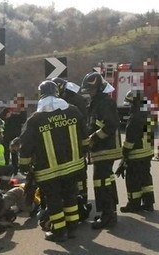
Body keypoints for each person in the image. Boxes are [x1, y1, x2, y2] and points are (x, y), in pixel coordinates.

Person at [18, 80, 86, 243]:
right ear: (57, 93)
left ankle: (59, 232)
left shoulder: (35, 120)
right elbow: (84, 137)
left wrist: (24, 165)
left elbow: (26, 145)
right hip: (74, 166)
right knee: (71, 196)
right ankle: (72, 228)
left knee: (53, 200)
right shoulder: (73, 111)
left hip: (48, 170)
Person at [81, 71, 122, 230]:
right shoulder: (97, 102)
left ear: (98, 89)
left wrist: (93, 139)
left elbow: (110, 125)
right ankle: (109, 211)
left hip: (105, 149)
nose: (89, 93)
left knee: (101, 182)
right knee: (107, 180)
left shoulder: (104, 103)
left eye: (91, 90)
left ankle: (108, 216)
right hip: (102, 149)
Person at [51, 77, 90, 211]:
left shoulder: (67, 102)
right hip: (78, 140)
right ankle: (82, 197)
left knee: (73, 172)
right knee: (80, 170)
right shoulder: (76, 98)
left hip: (70, 141)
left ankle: (77, 198)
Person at [117, 90, 156, 213]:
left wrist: (124, 156)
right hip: (147, 153)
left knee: (133, 180)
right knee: (145, 179)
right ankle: (148, 203)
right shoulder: (149, 115)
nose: (129, 107)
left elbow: (130, 140)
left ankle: (133, 205)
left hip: (136, 154)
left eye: (130, 104)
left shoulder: (134, 118)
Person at [0, 94, 27, 173]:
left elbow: (23, 120)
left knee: (15, 154)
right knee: (6, 153)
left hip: (16, 136)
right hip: (6, 135)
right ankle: (6, 170)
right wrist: (6, 117)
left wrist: (21, 110)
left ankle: (15, 171)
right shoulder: (7, 110)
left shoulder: (22, 111)